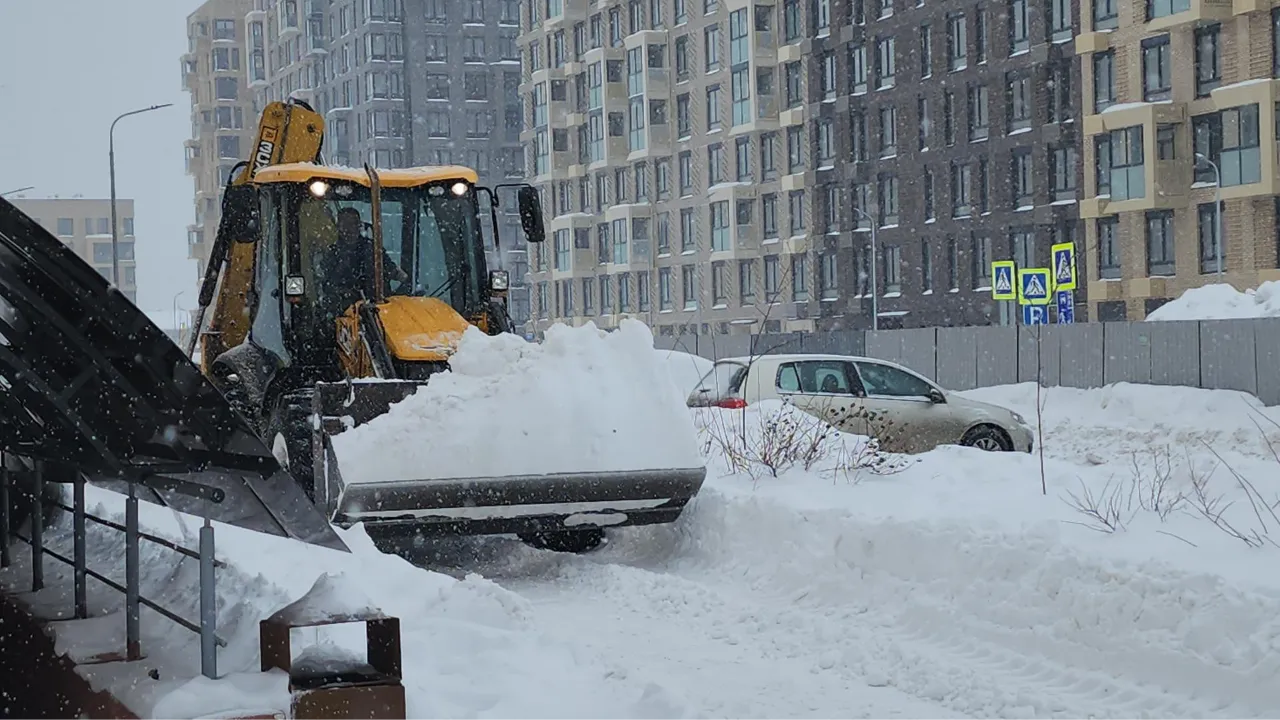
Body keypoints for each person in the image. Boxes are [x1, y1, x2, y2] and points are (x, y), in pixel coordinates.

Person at [318, 207, 408, 316]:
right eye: (345, 225)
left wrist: (400, 276)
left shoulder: (373, 249)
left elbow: (389, 268)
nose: (349, 229)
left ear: (359, 226)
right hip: (345, 313)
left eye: (353, 224)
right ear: (338, 228)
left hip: (379, 309)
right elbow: (327, 284)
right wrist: (343, 292)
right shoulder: (332, 254)